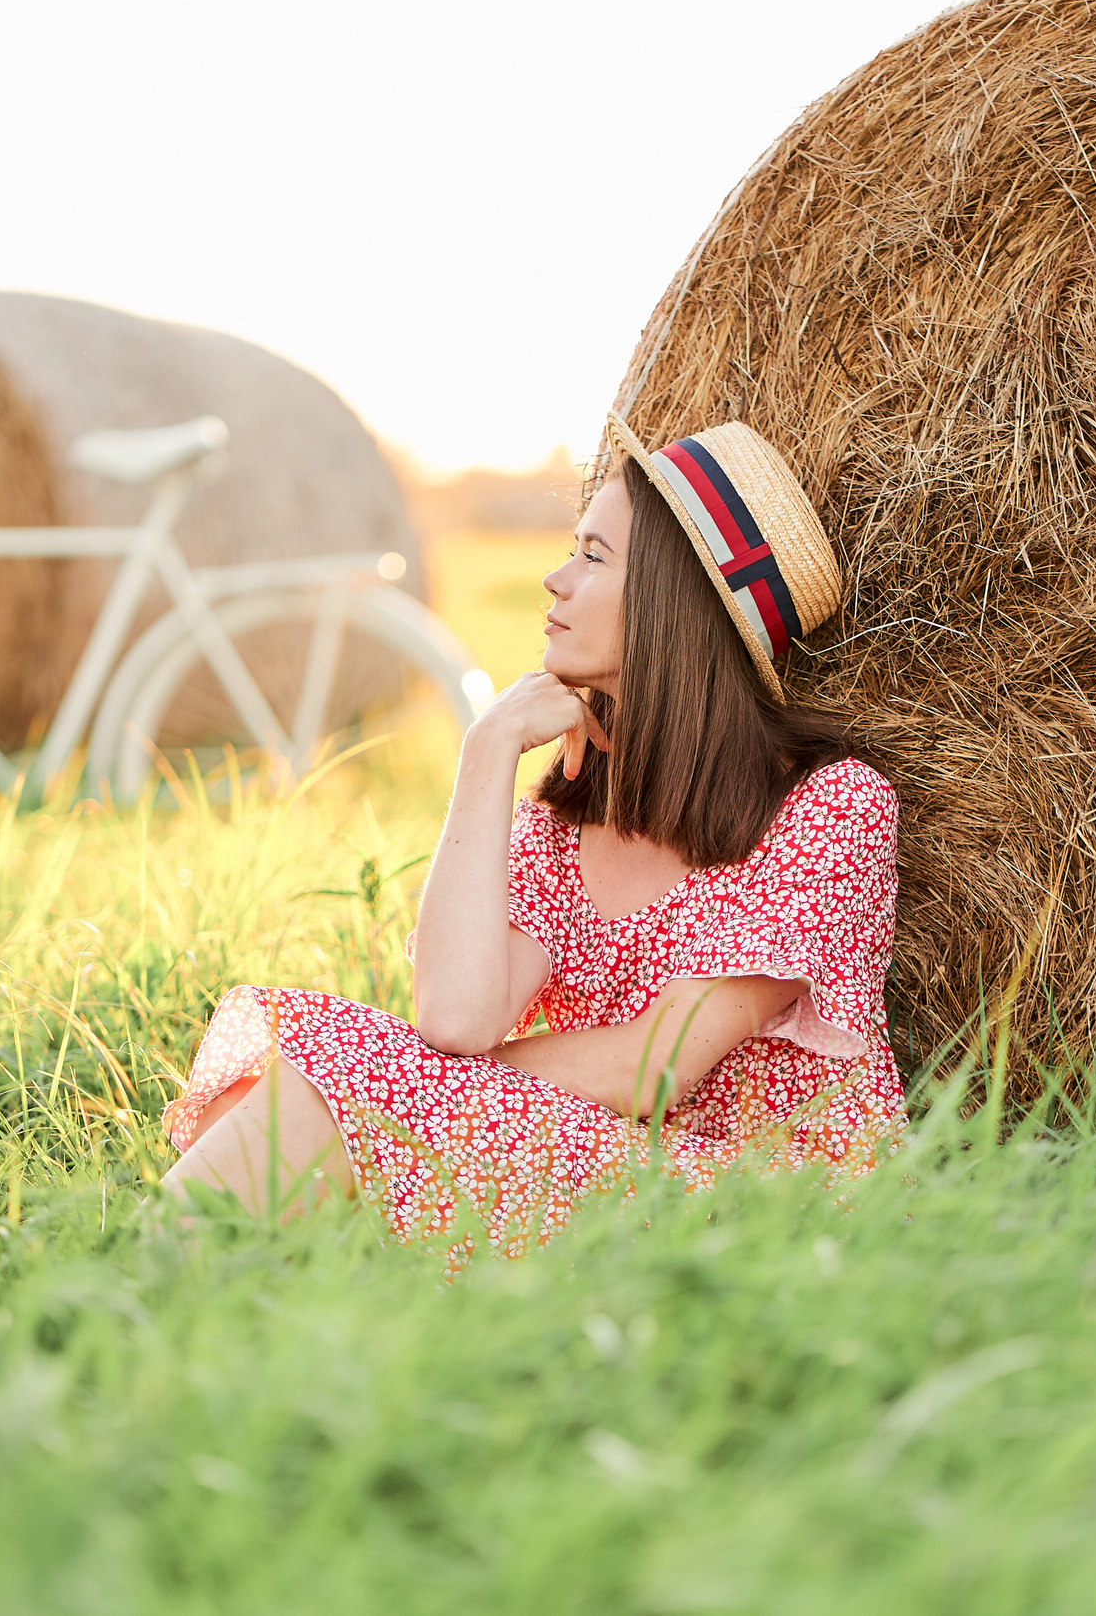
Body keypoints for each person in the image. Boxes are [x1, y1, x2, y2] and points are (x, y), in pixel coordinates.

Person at [162, 414, 902, 1254]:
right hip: (617, 1170)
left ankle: (136, 1291)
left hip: (775, 1214)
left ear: (673, 600)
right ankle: (174, 1292)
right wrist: (486, 755)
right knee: (304, 1086)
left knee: (333, 1076)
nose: (554, 578)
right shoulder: (560, 829)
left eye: (592, 555)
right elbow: (455, 1016)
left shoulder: (832, 808)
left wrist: (401, 1081)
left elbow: (656, 1066)